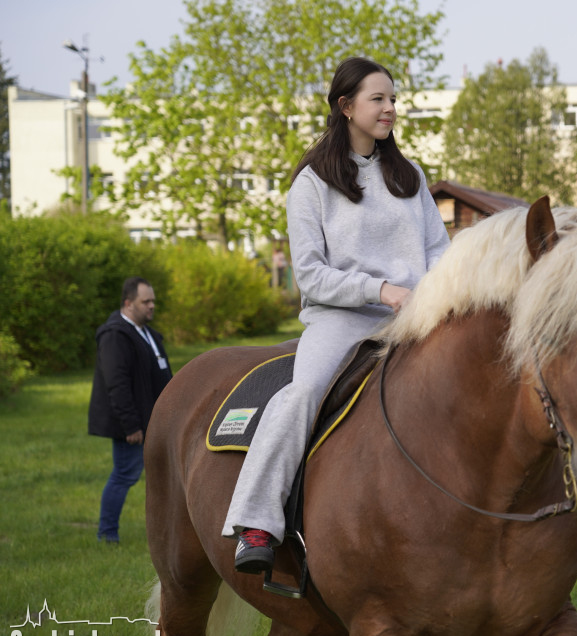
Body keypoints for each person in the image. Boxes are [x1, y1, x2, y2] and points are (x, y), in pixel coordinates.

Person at [222, 56, 450, 574]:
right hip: (341, 320)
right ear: (346, 107)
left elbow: (438, 249)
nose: (391, 108)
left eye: (393, 99)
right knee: (303, 394)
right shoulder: (310, 184)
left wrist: (437, 289)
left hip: (413, 319)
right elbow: (311, 275)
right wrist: (381, 289)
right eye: (379, 99)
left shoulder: (409, 175)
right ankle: (255, 522)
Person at [88, 277, 173, 543]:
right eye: (145, 301)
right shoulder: (115, 335)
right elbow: (117, 384)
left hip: (154, 422)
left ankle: (169, 532)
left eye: (153, 301)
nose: (151, 306)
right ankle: (107, 534)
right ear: (128, 303)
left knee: (165, 476)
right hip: (132, 425)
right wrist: (131, 426)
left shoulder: (148, 333)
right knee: (125, 474)